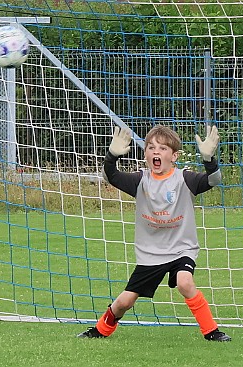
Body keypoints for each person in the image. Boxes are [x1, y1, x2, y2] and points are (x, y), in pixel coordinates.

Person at [77, 124, 231, 342]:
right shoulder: (140, 180)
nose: (156, 152)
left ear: (174, 156)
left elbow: (213, 180)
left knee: (185, 282)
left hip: (181, 248)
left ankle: (212, 331)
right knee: (125, 302)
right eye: (151, 147)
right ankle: (101, 329)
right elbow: (109, 176)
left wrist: (209, 159)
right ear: (146, 154)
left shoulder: (184, 179)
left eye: (162, 148)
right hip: (151, 254)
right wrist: (112, 156)